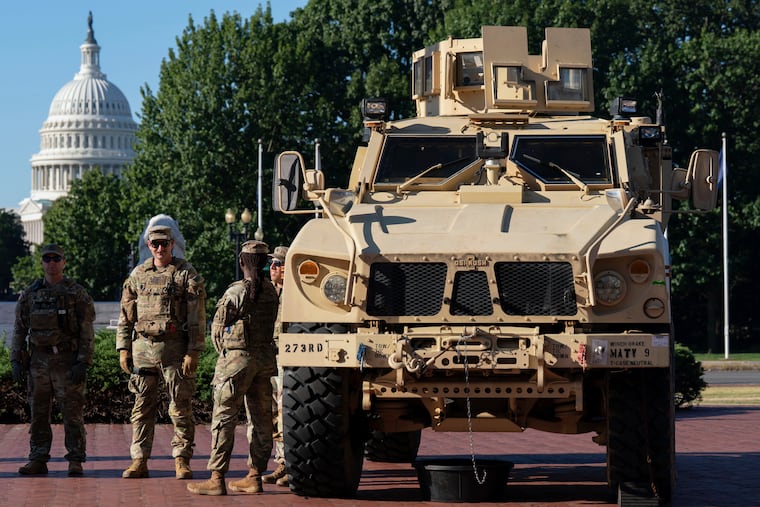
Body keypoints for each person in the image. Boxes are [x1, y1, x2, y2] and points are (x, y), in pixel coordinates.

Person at [187, 240, 279, 496]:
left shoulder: (236, 291)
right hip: (264, 361)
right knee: (261, 419)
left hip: (237, 362)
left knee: (224, 418)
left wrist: (228, 352)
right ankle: (254, 476)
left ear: (242, 262)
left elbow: (216, 332)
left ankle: (217, 478)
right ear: (264, 263)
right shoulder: (272, 291)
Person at [116, 225, 206, 480]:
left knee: (180, 407)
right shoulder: (138, 274)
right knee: (141, 406)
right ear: (148, 245)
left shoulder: (185, 273)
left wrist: (194, 351)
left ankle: (181, 459)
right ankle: (139, 459)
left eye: (164, 243)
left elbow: (197, 316)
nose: (159, 248)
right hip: (143, 348)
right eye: (154, 244)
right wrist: (123, 348)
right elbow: (126, 315)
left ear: (172, 244)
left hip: (174, 349)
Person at [10, 244, 95, 476]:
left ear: (64, 262)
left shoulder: (76, 293)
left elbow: (87, 330)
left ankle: (75, 460)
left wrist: (83, 361)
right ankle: (38, 458)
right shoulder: (30, 294)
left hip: (66, 362)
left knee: (72, 413)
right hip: (38, 362)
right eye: (47, 259)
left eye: (56, 258)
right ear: (41, 263)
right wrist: (16, 359)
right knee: (38, 413)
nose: (51, 263)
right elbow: (19, 329)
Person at [261, 245, 289, 487]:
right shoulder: (267, 292)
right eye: (271, 264)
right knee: (270, 413)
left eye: (278, 264)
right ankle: (282, 461)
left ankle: (291, 464)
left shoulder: (297, 295)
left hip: (287, 360)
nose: (272, 268)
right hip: (268, 357)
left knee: (285, 412)